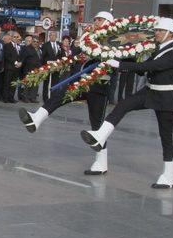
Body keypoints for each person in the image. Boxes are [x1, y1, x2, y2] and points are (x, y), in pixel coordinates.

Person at [80, 17, 173, 189]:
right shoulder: (158, 49)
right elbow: (143, 69)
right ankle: (100, 135)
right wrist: (123, 56)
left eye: (160, 31)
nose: (156, 33)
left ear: (171, 34)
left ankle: (169, 176)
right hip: (150, 91)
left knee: (166, 136)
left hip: (166, 96)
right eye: (156, 30)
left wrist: (119, 63)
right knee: (123, 105)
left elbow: (152, 67)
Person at [19, 11, 115, 175]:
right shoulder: (88, 38)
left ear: (107, 22)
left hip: (98, 86)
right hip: (81, 82)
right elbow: (76, 57)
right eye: (96, 19)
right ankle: (37, 118)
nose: (96, 22)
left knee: (97, 126)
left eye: (99, 19)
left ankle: (101, 162)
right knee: (59, 95)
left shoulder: (113, 41)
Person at [41, 31, 63, 102]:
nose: (53, 37)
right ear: (49, 36)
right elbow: (43, 57)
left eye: (54, 35)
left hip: (56, 67)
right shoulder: (45, 45)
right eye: (51, 35)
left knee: (55, 82)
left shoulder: (59, 44)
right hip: (47, 67)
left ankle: (53, 96)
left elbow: (61, 55)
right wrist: (44, 65)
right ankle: (45, 97)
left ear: (56, 37)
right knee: (46, 82)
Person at [19, 35, 41, 103]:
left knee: (35, 85)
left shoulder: (40, 49)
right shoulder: (27, 48)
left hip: (37, 70)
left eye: (37, 42)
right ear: (31, 42)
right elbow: (23, 58)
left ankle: (33, 97)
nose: (35, 43)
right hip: (28, 69)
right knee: (27, 84)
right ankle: (25, 97)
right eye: (34, 41)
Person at [2, 31, 22, 103]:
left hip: (16, 69)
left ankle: (11, 97)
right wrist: (16, 62)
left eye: (17, 37)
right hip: (9, 68)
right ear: (11, 37)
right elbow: (7, 56)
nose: (16, 38)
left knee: (14, 84)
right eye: (14, 37)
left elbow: (20, 56)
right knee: (7, 83)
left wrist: (20, 63)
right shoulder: (7, 45)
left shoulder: (19, 46)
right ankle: (5, 98)